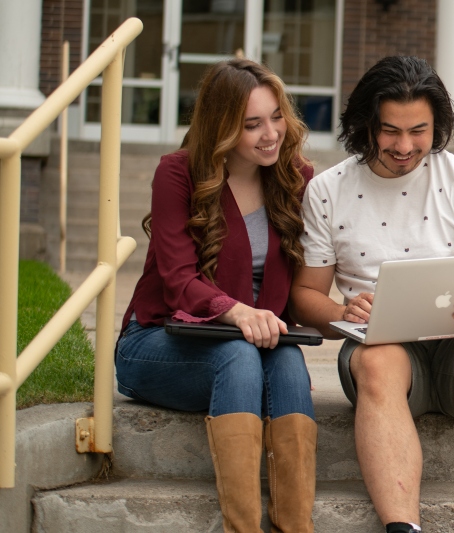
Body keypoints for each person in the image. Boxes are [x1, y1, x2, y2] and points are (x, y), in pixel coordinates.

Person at [290, 56, 454, 533]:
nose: (404, 146)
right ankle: (403, 528)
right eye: (389, 131)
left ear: (438, 126)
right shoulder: (327, 191)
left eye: (419, 131)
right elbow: (305, 295)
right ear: (365, 124)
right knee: (376, 360)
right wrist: (342, 310)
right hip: (383, 351)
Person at [115, 58, 316, 533]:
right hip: (159, 340)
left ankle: (296, 526)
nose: (271, 134)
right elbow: (178, 281)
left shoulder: (295, 179)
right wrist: (238, 311)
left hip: (257, 340)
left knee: (288, 365)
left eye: (276, 116)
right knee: (237, 358)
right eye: (252, 124)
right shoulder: (178, 174)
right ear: (223, 126)